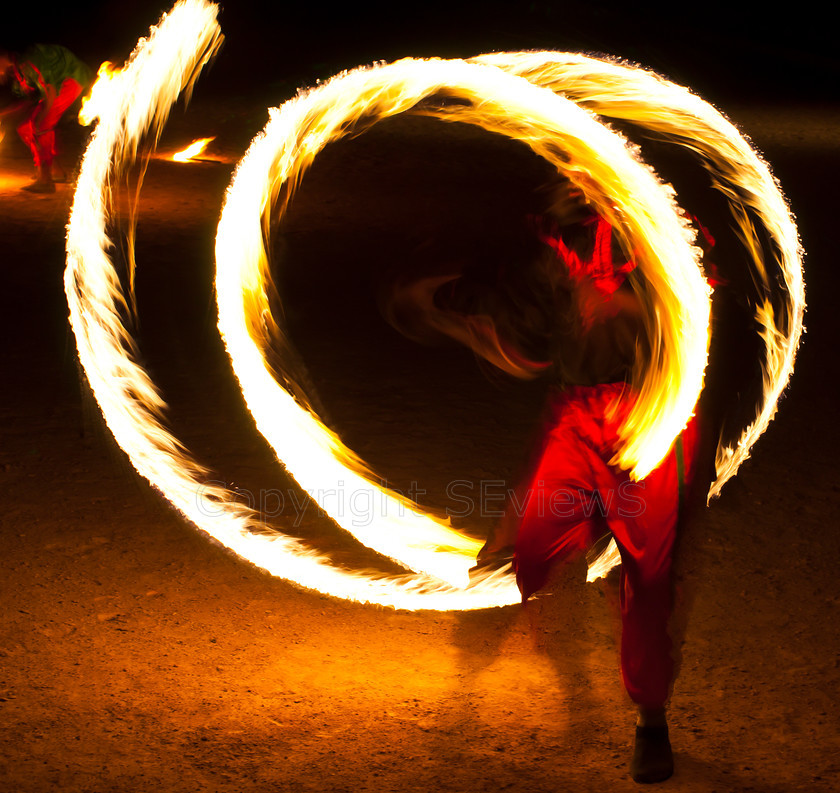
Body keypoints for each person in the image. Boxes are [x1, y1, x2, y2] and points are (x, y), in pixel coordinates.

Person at [383, 184, 707, 784]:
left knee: (649, 573)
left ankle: (651, 719)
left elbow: (696, 300)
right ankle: (551, 599)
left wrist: (621, 306)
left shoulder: (666, 226)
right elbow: (523, 330)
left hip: (652, 416)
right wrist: (441, 307)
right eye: (565, 173)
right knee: (534, 549)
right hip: (575, 415)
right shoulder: (556, 240)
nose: (572, 182)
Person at [0, 44, 92, 192]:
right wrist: (4, 115)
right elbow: (27, 103)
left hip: (72, 78)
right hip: (57, 88)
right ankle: (55, 171)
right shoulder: (18, 75)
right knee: (25, 128)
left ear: (3, 57)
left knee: (42, 126)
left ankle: (45, 181)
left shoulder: (30, 60)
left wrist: (42, 120)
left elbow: (51, 90)